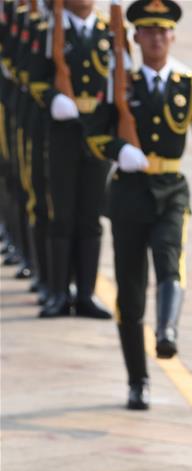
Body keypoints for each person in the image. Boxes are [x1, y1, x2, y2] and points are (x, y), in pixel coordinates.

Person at [84, 0, 192, 410]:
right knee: (130, 294)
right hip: (129, 193)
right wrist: (118, 150)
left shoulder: (191, 87)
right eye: (147, 31)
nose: (156, 37)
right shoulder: (119, 84)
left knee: (171, 260)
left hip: (170, 190)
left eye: (163, 30)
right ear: (135, 37)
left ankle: (166, 332)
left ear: (173, 36)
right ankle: (138, 379)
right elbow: (93, 134)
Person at [29, 0, 112, 319]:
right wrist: (53, 99)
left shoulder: (111, 33)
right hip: (62, 134)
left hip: (97, 137)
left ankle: (86, 295)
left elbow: (122, 81)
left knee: (90, 217)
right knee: (61, 214)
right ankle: (58, 292)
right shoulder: (50, 30)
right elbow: (34, 77)